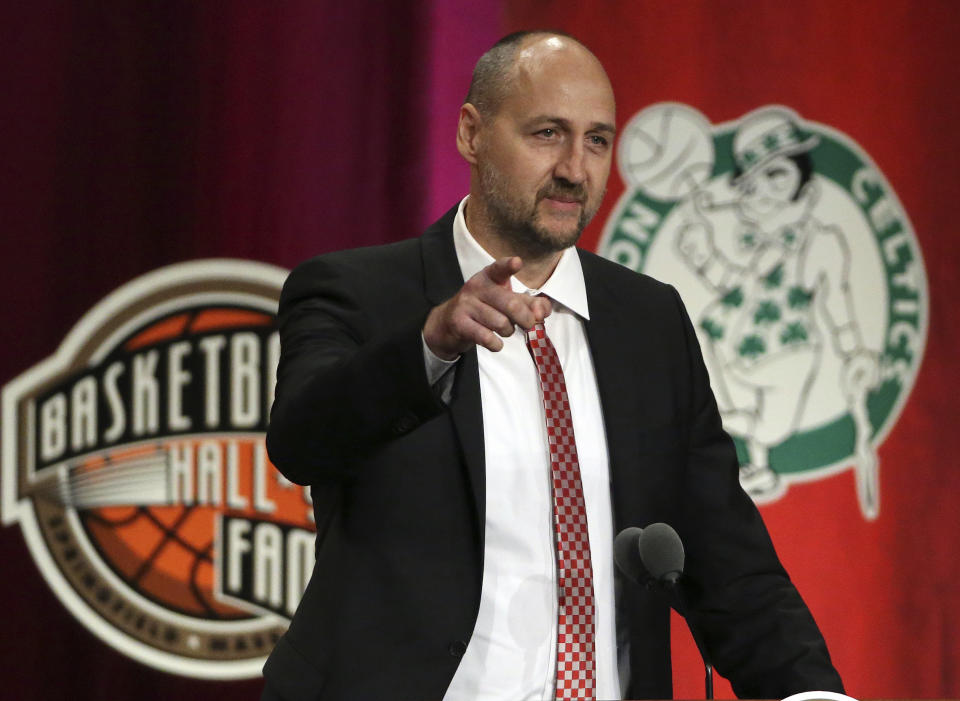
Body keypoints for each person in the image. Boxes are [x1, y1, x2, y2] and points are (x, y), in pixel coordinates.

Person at [261, 31, 844, 701]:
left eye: (597, 140)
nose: (575, 168)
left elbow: (730, 563)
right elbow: (302, 440)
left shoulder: (649, 322)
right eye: (547, 133)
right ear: (471, 133)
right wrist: (430, 346)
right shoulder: (358, 291)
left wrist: (813, 694)